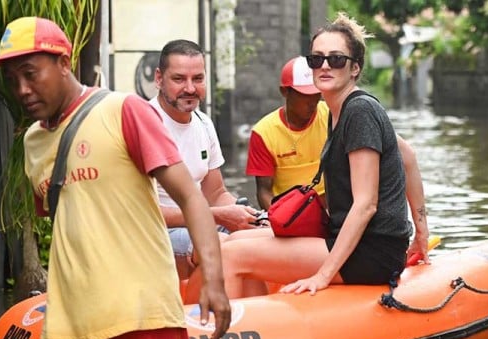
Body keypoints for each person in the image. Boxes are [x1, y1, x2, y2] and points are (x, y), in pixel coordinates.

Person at [0, 17, 231, 339]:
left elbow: (193, 198)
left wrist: (215, 282)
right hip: (69, 326)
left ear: (63, 62)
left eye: (31, 74)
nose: (21, 90)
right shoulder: (32, 143)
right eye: (12, 78)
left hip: (143, 319)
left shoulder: (123, 111)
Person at [206, 12, 426, 299]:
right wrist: (420, 232)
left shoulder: (360, 112)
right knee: (233, 240)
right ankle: (260, 322)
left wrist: (323, 275)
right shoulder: (339, 112)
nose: (324, 65)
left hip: (370, 252)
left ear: (355, 68)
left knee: (232, 256)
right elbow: (407, 155)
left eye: (336, 59)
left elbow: (366, 205)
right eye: (316, 59)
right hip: (352, 239)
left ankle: (232, 336)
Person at [149, 39, 260, 278]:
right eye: (179, 79)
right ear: (159, 79)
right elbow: (140, 212)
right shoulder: (143, 124)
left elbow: (216, 193)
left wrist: (248, 214)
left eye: (198, 79)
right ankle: (207, 312)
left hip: (201, 220)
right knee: (221, 245)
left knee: (261, 236)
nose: (190, 88)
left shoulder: (203, 123)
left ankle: (254, 311)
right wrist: (218, 216)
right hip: (155, 232)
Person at [246, 56, 328, 210]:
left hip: (331, 210)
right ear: (285, 92)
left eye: (316, 93)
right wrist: (281, 220)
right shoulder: (264, 133)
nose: (312, 101)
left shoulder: (332, 116)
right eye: (304, 94)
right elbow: (264, 191)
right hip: (289, 214)